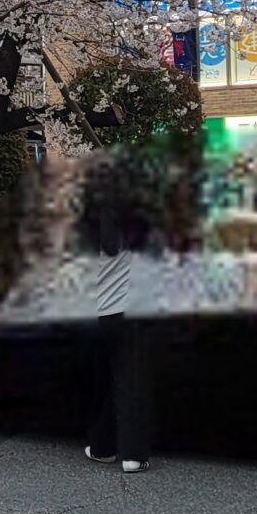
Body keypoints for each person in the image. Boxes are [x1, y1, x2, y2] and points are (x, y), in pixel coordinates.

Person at [76, 154, 159, 473]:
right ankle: (134, 455)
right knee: (133, 382)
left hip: (93, 316)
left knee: (105, 383)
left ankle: (102, 446)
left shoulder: (84, 226)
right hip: (131, 312)